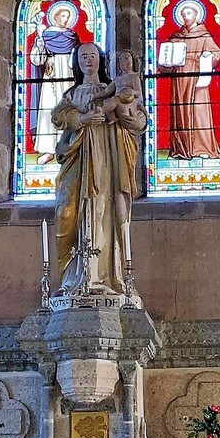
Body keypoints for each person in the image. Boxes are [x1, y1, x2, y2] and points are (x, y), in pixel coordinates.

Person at [51, 44, 147, 296]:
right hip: (80, 160)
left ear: (100, 60)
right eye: (83, 56)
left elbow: (138, 115)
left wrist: (133, 119)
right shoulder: (72, 94)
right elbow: (59, 116)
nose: (88, 61)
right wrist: (82, 119)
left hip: (111, 158)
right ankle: (74, 277)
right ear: (77, 63)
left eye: (92, 56)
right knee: (67, 211)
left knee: (107, 208)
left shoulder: (111, 89)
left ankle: (109, 276)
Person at [159, 1, 220, 160]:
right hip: (180, 79)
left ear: (196, 15)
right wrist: (166, 64)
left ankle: (202, 148)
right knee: (181, 112)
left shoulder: (204, 35)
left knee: (199, 112)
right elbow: (165, 61)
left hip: (197, 77)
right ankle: (181, 148)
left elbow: (216, 54)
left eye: (189, 13)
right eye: (183, 14)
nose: (186, 17)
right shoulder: (176, 37)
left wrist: (206, 58)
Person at [29, 3, 81, 165]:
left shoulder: (72, 36)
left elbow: (79, 56)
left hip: (68, 74)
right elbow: (37, 59)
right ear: (56, 16)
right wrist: (40, 42)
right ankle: (49, 150)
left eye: (67, 16)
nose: (65, 19)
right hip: (51, 75)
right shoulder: (46, 34)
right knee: (49, 108)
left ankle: (68, 146)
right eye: (62, 16)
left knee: (68, 108)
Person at [94, 50, 143, 124]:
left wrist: (133, 92)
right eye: (120, 59)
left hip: (128, 101)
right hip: (117, 100)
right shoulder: (117, 78)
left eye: (126, 58)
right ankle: (112, 118)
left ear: (133, 61)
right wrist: (94, 96)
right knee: (106, 101)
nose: (122, 62)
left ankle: (102, 110)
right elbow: (106, 91)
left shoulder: (134, 77)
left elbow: (138, 92)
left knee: (115, 100)